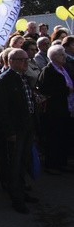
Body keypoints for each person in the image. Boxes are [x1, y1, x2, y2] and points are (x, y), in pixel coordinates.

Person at [0, 49, 40, 214]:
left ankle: (22, 192)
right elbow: (1, 110)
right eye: (22, 60)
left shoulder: (23, 77)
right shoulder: (4, 80)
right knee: (14, 164)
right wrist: (9, 131)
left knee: (23, 162)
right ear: (11, 61)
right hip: (15, 130)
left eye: (27, 60)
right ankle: (17, 199)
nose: (26, 63)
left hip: (27, 127)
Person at [36, 45, 74, 174]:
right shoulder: (49, 70)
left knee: (63, 136)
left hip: (66, 108)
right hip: (54, 110)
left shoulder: (64, 68)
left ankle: (61, 162)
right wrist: (66, 90)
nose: (64, 57)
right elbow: (45, 89)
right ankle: (51, 164)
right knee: (54, 138)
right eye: (61, 55)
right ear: (54, 56)